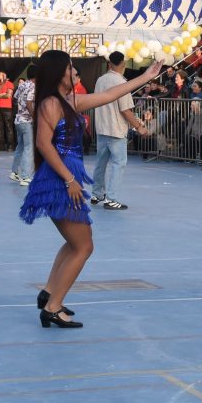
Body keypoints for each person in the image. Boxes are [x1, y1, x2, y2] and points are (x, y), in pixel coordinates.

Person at [19, 50, 161, 328]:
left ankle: (49, 293)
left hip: (63, 177)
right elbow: (43, 144)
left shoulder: (69, 100)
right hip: (60, 180)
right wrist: (69, 180)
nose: (75, 72)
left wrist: (146, 76)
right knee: (84, 246)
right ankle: (52, 307)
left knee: (75, 242)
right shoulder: (51, 103)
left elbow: (110, 95)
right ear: (58, 73)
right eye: (70, 68)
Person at [90, 52, 149, 210]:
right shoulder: (122, 82)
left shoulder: (100, 80)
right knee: (118, 164)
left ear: (109, 64)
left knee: (100, 163)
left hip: (102, 127)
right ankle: (111, 198)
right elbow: (125, 110)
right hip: (116, 129)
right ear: (123, 64)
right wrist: (139, 127)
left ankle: (97, 194)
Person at [10, 72, 36, 186]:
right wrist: (34, 116)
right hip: (27, 121)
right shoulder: (33, 86)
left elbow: (15, 98)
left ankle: (14, 172)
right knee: (28, 148)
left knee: (20, 146)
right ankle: (25, 177)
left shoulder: (21, 85)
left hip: (18, 120)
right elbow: (29, 102)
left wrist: (21, 109)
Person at [0, 70, 16, 151]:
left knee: (9, 127)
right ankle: (1, 146)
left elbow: (8, 96)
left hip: (7, 108)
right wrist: (3, 94)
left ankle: (10, 146)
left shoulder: (9, 84)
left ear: (4, 75)